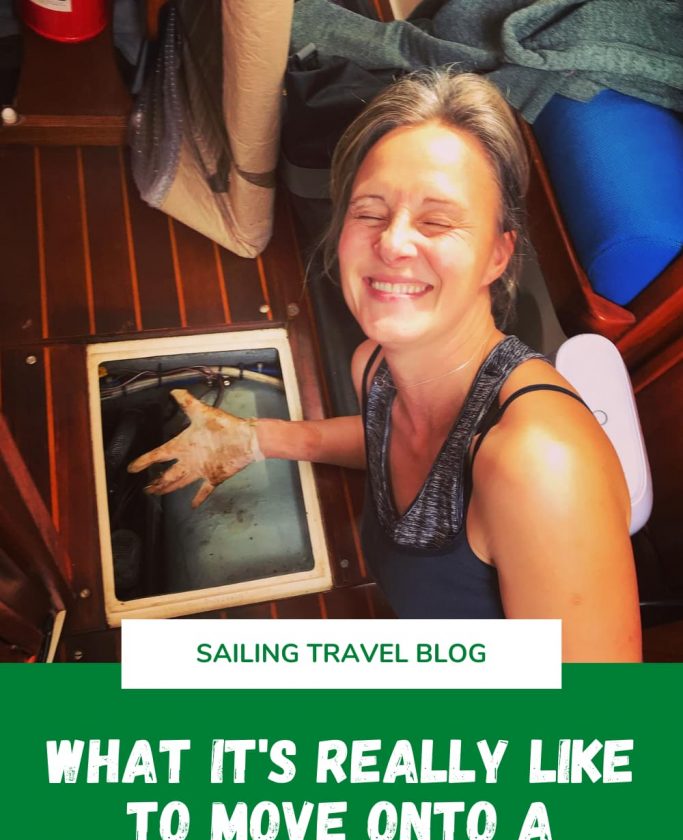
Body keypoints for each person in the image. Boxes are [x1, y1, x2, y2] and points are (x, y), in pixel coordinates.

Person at [128, 70, 641, 662]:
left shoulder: (539, 466)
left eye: (437, 220)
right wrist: (256, 438)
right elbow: (390, 437)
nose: (393, 242)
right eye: (369, 212)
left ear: (498, 253)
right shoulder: (375, 367)